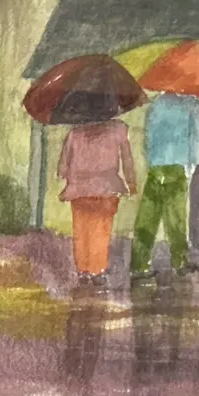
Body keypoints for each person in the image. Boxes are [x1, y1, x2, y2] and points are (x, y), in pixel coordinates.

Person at [130, 92, 199, 280]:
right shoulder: (193, 105)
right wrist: (192, 164)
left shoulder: (157, 103)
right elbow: (196, 137)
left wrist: (151, 160)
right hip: (178, 165)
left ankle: (139, 264)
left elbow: (148, 135)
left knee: (148, 216)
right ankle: (179, 262)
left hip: (157, 164)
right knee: (176, 218)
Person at [58, 118, 137, 285]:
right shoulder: (118, 129)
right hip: (106, 188)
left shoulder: (74, 134)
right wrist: (131, 182)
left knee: (81, 229)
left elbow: (63, 168)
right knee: (102, 229)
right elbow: (127, 158)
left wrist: (65, 174)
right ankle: (98, 269)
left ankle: (83, 270)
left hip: (79, 190)